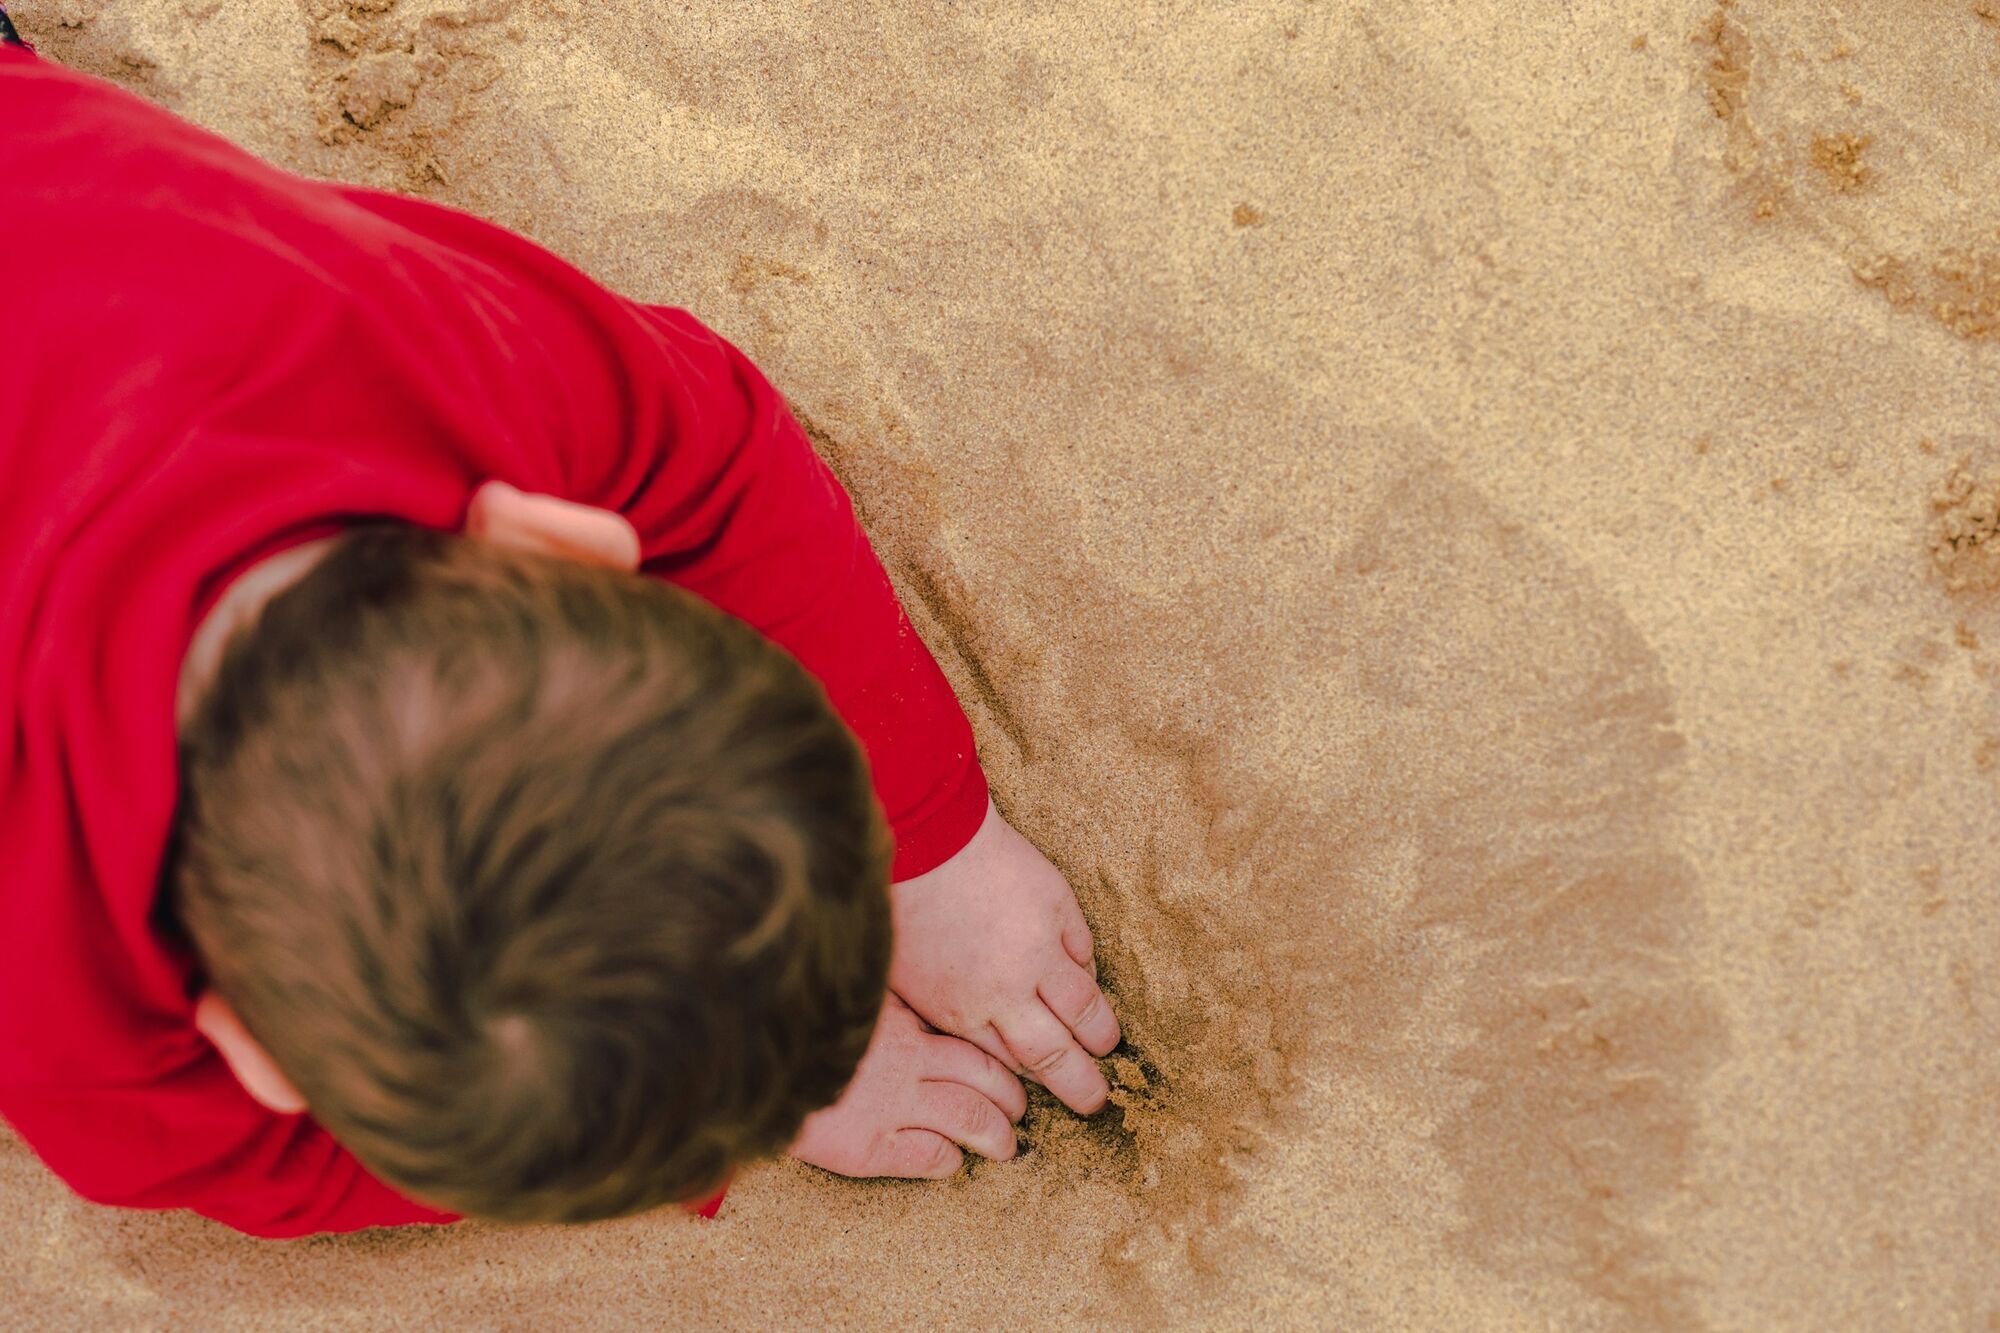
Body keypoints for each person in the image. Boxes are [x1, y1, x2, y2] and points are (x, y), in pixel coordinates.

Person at [0, 38, 1120, 1237]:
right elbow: (256, 1169)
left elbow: (721, 462)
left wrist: (931, 851)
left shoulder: (415, 345)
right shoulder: (59, 1019)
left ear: (560, 542)